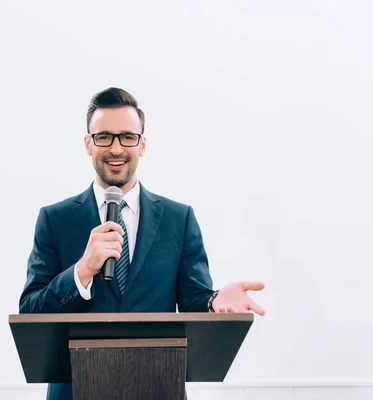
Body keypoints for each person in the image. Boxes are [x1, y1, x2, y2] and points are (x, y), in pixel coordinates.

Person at [19, 87, 266, 400]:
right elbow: (29, 311)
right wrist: (81, 272)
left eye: (127, 137)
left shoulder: (179, 219)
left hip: (158, 387)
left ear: (143, 144)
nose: (116, 148)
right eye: (104, 137)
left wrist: (213, 302)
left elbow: (194, 299)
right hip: (76, 391)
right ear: (87, 144)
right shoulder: (55, 219)